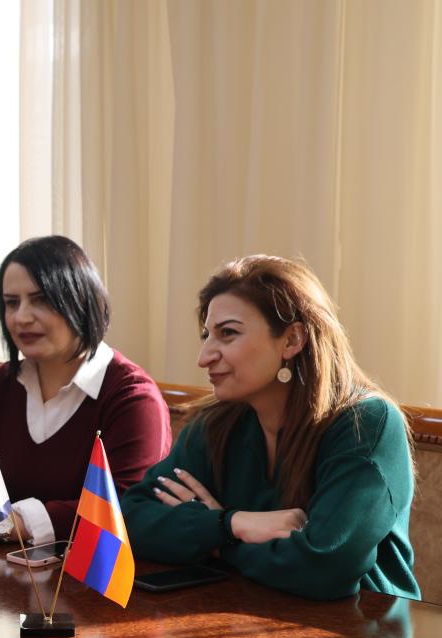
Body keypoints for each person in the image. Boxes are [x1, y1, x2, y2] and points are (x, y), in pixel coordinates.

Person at [120, 255, 418, 601]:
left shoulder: (366, 424)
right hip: (240, 613)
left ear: (292, 340)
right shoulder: (216, 424)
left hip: (358, 625)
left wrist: (218, 540)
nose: (204, 357)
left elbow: (322, 568)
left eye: (228, 333)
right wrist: (234, 524)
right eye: (206, 335)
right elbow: (128, 521)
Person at [0, 236, 171, 547]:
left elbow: (126, 507)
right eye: (11, 303)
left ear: (80, 301)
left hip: (92, 573)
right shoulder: (0, 385)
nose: (21, 317)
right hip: (3, 569)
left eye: (41, 300)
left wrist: (4, 523)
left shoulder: (133, 397)